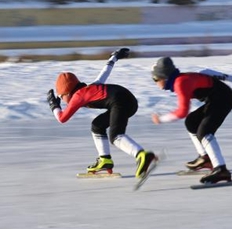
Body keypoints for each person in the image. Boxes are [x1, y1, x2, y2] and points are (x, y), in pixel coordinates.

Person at [46, 48, 157, 178]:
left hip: (121, 101)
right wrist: (114, 57)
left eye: (61, 97)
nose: (63, 101)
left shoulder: (78, 96)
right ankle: (105, 160)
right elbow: (105, 71)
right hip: (128, 99)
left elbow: (62, 118)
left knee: (115, 136)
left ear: (67, 93)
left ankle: (141, 155)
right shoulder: (91, 87)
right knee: (97, 125)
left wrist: (54, 105)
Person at [150, 57, 232, 184]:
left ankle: (221, 170)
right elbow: (205, 72)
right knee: (191, 122)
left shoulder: (181, 83)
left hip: (223, 99)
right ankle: (206, 158)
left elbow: (182, 112)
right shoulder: (181, 78)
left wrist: (161, 119)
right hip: (215, 98)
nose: (155, 83)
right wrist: (230, 78)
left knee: (205, 132)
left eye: (155, 79)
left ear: (164, 77)